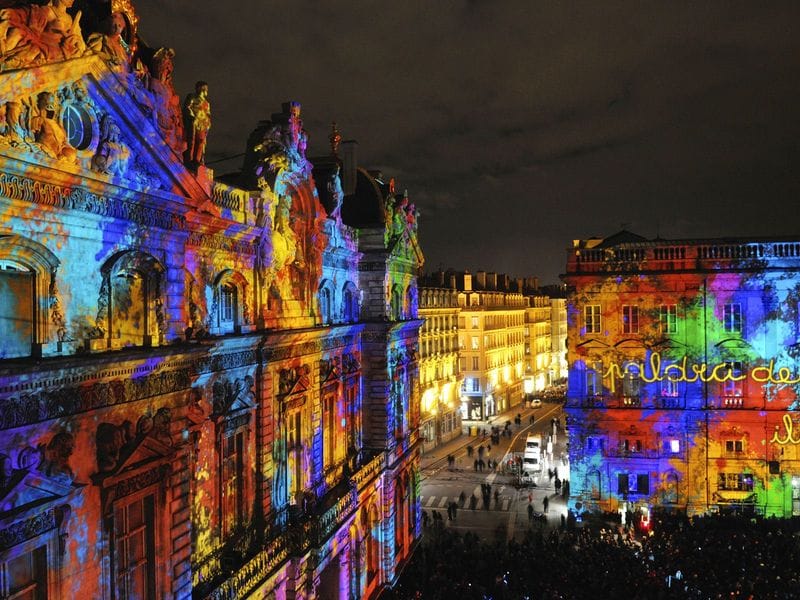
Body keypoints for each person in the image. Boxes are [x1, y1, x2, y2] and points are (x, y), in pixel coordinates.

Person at [184, 80, 211, 165]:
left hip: (203, 124)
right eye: (205, 88)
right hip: (194, 121)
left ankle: (197, 160)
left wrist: (208, 123)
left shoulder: (207, 103)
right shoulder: (192, 97)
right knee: (192, 140)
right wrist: (192, 116)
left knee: (201, 142)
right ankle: (189, 159)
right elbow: (187, 107)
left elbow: (208, 114)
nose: (206, 90)